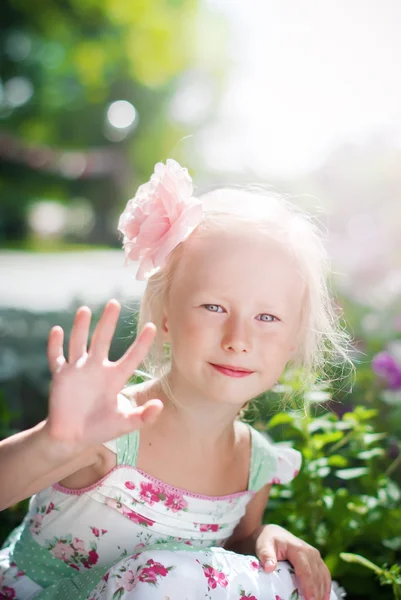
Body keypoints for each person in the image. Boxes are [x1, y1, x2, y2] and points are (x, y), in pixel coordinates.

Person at [0, 159, 350, 600]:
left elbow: (225, 560)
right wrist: (55, 442)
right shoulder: (110, 427)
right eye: (213, 308)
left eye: (267, 317)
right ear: (165, 317)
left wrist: (264, 537)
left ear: (294, 338)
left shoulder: (254, 465)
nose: (238, 339)